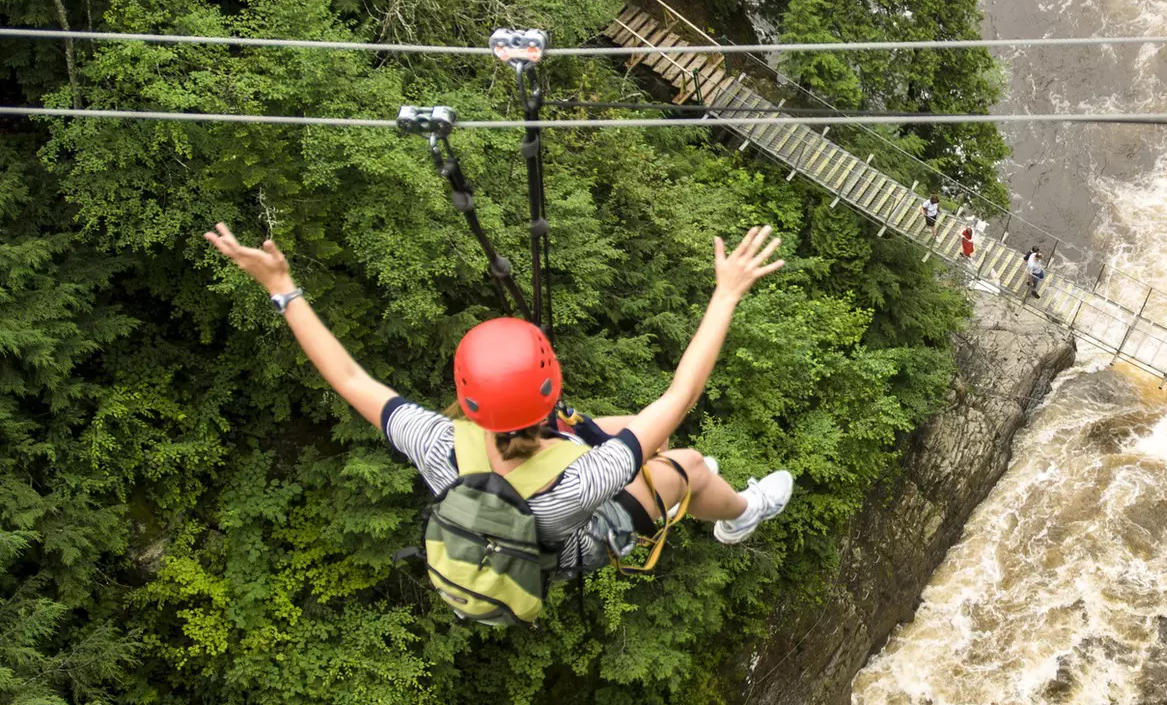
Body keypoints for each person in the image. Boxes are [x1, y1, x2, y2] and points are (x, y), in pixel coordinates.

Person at [202, 222, 797, 576]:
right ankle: (741, 516)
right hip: (573, 539)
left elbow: (350, 379)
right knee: (683, 464)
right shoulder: (579, 485)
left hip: (513, 516)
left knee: (644, 433)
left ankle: (694, 490)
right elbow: (683, 391)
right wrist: (725, 294)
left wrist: (281, 287)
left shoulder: (436, 441)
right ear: (549, 400)